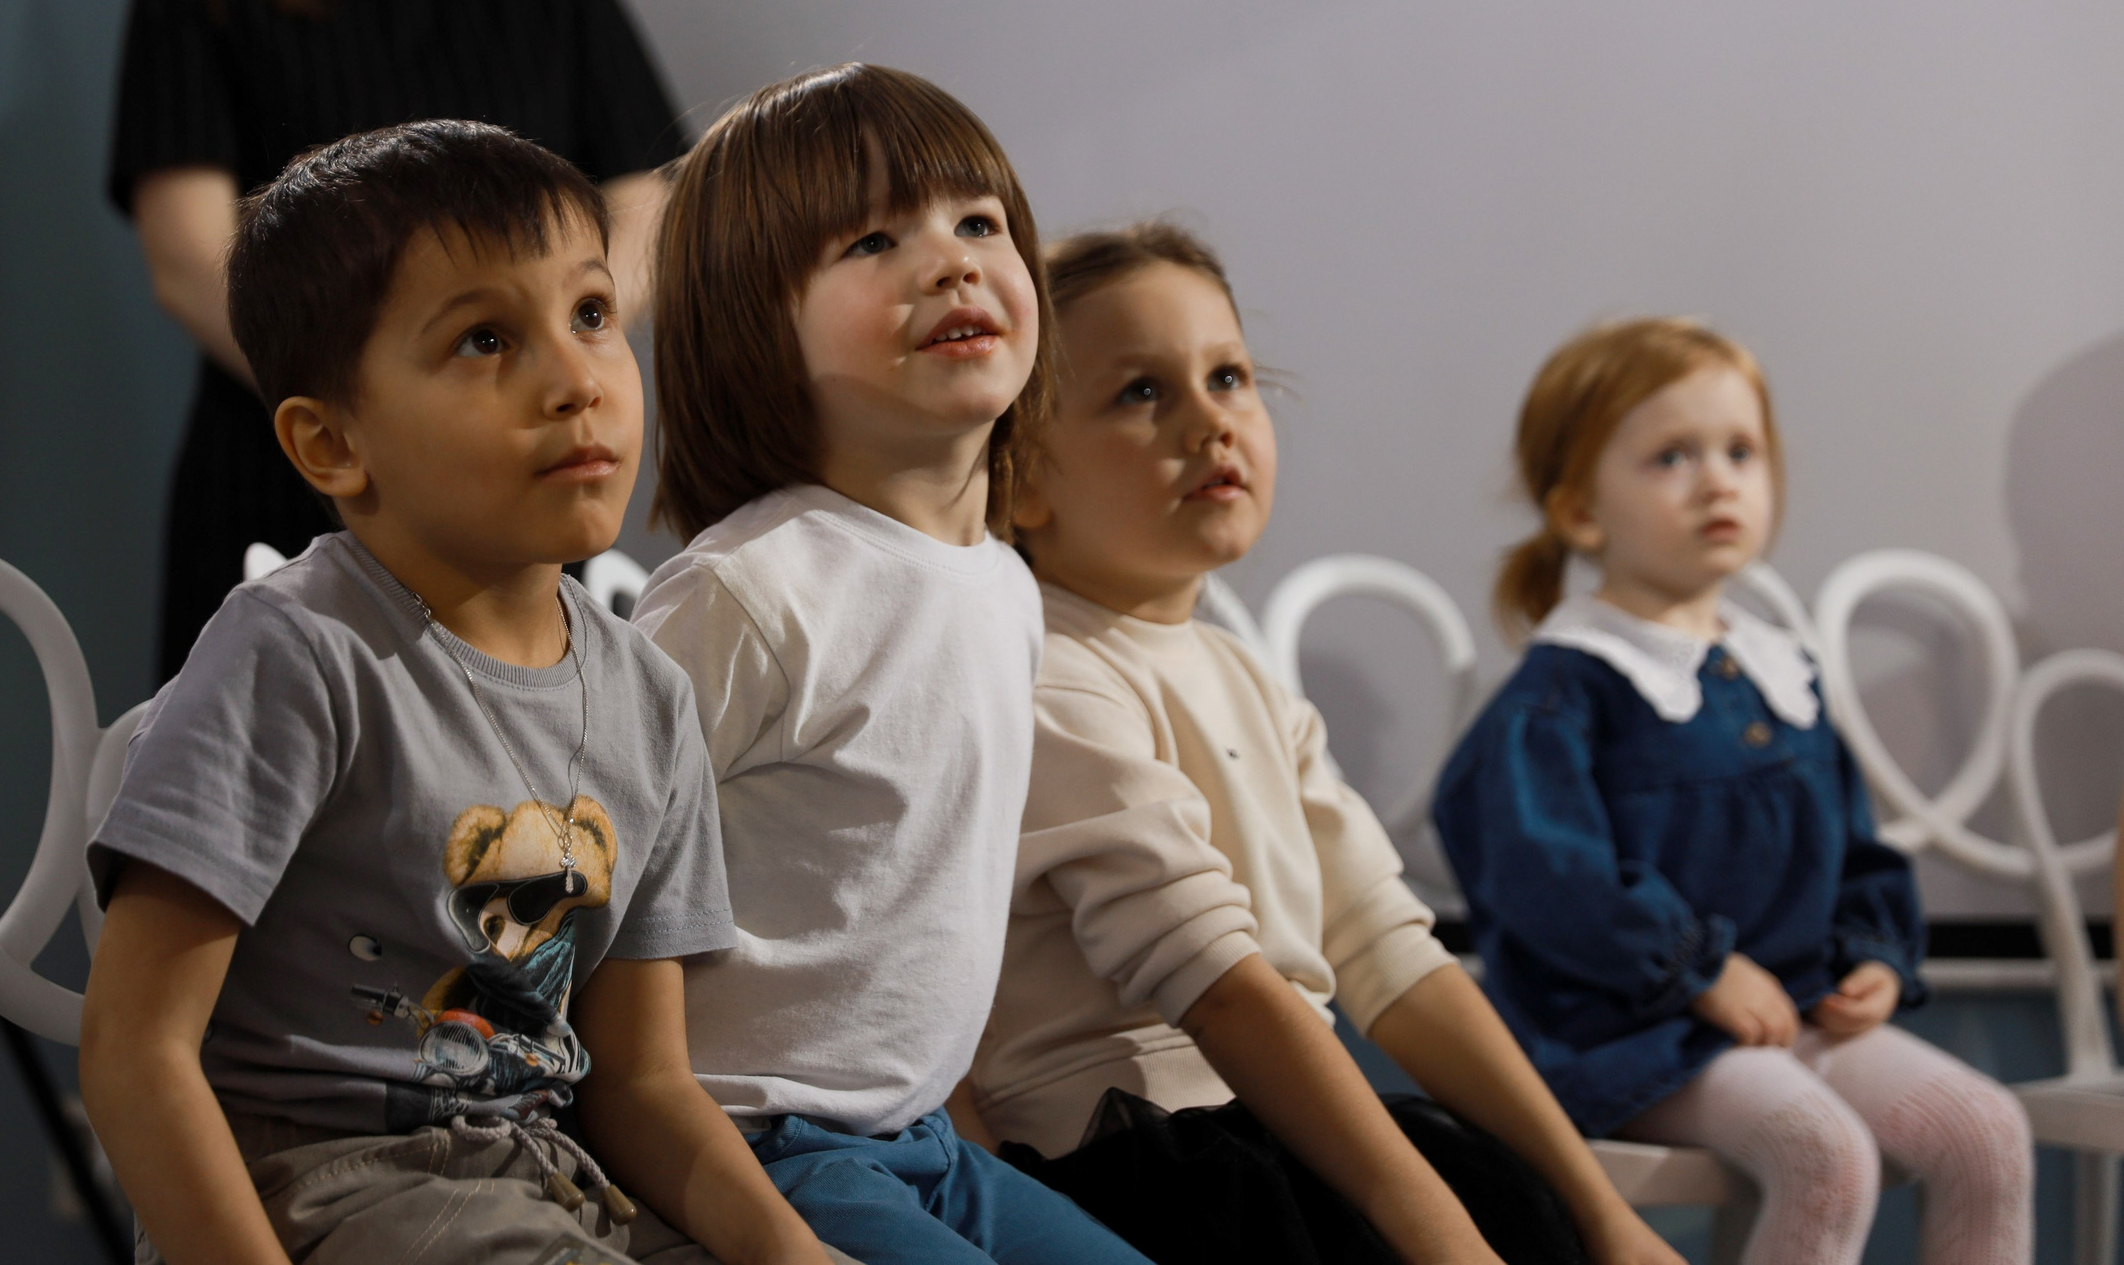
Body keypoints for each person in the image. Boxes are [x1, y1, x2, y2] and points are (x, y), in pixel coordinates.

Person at [79, 121, 845, 1265]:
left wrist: (792, 1255)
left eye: (590, 315)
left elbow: (640, 1082)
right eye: (486, 339)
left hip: (548, 1182)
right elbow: (135, 1050)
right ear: (332, 444)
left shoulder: (648, 693)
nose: (575, 379)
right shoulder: (300, 653)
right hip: (328, 1189)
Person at [970, 222, 1678, 1265]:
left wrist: (1599, 1208)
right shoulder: (1045, 671)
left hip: (1278, 1121)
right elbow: (1214, 984)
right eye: (1141, 392)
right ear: (1021, 479)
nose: (1210, 421)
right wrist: (1435, 1231)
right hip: (1140, 1162)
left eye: (1229, 377)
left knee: (1514, 1206)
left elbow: (1387, 955)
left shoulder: (1244, 675)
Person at [112, 0, 682, 682]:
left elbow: (643, 204)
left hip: (515, 474)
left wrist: (520, 364)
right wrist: (384, 416)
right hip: (282, 470)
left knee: (517, 833)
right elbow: (188, 260)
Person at [633, 64, 1152, 1265]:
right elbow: (585, 881)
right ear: (751, 319)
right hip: (746, 1141)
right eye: (873, 239)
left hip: (914, 1142)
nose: (952, 261)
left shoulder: (1004, 585)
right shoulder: (750, 590)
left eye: (979, 224)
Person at [1434, 318, 2033, 1265]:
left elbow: (1853, 845)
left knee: (1985, 1132)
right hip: (1630, 1035)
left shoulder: (1776, 669)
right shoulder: (1568, 685)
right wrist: (1696, 968)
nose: (1718, 479)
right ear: (1583, 512)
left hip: (1793, 1009)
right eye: (1672, 456)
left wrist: (1869, 951)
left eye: (1741, 451)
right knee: (1824, 1154)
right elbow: (1541, 867)